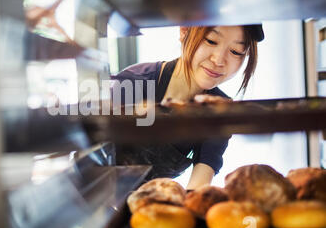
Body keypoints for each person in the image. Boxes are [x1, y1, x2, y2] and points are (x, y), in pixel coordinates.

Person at [111, 25, 264, 189]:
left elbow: (201, 176)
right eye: (211, 41)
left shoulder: (218, 108)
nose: (219, 60)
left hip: (150, 205)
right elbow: (90, 155)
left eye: (235, 51)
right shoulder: (133, 83)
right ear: (184, 32)